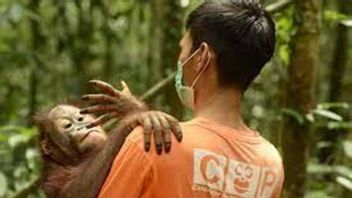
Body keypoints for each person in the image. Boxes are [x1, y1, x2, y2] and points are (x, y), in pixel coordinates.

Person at [98, 1, 284, 197]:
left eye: (183, 49)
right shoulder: (271, 163)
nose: (180, 59)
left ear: (202, 56)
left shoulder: (152, 143)